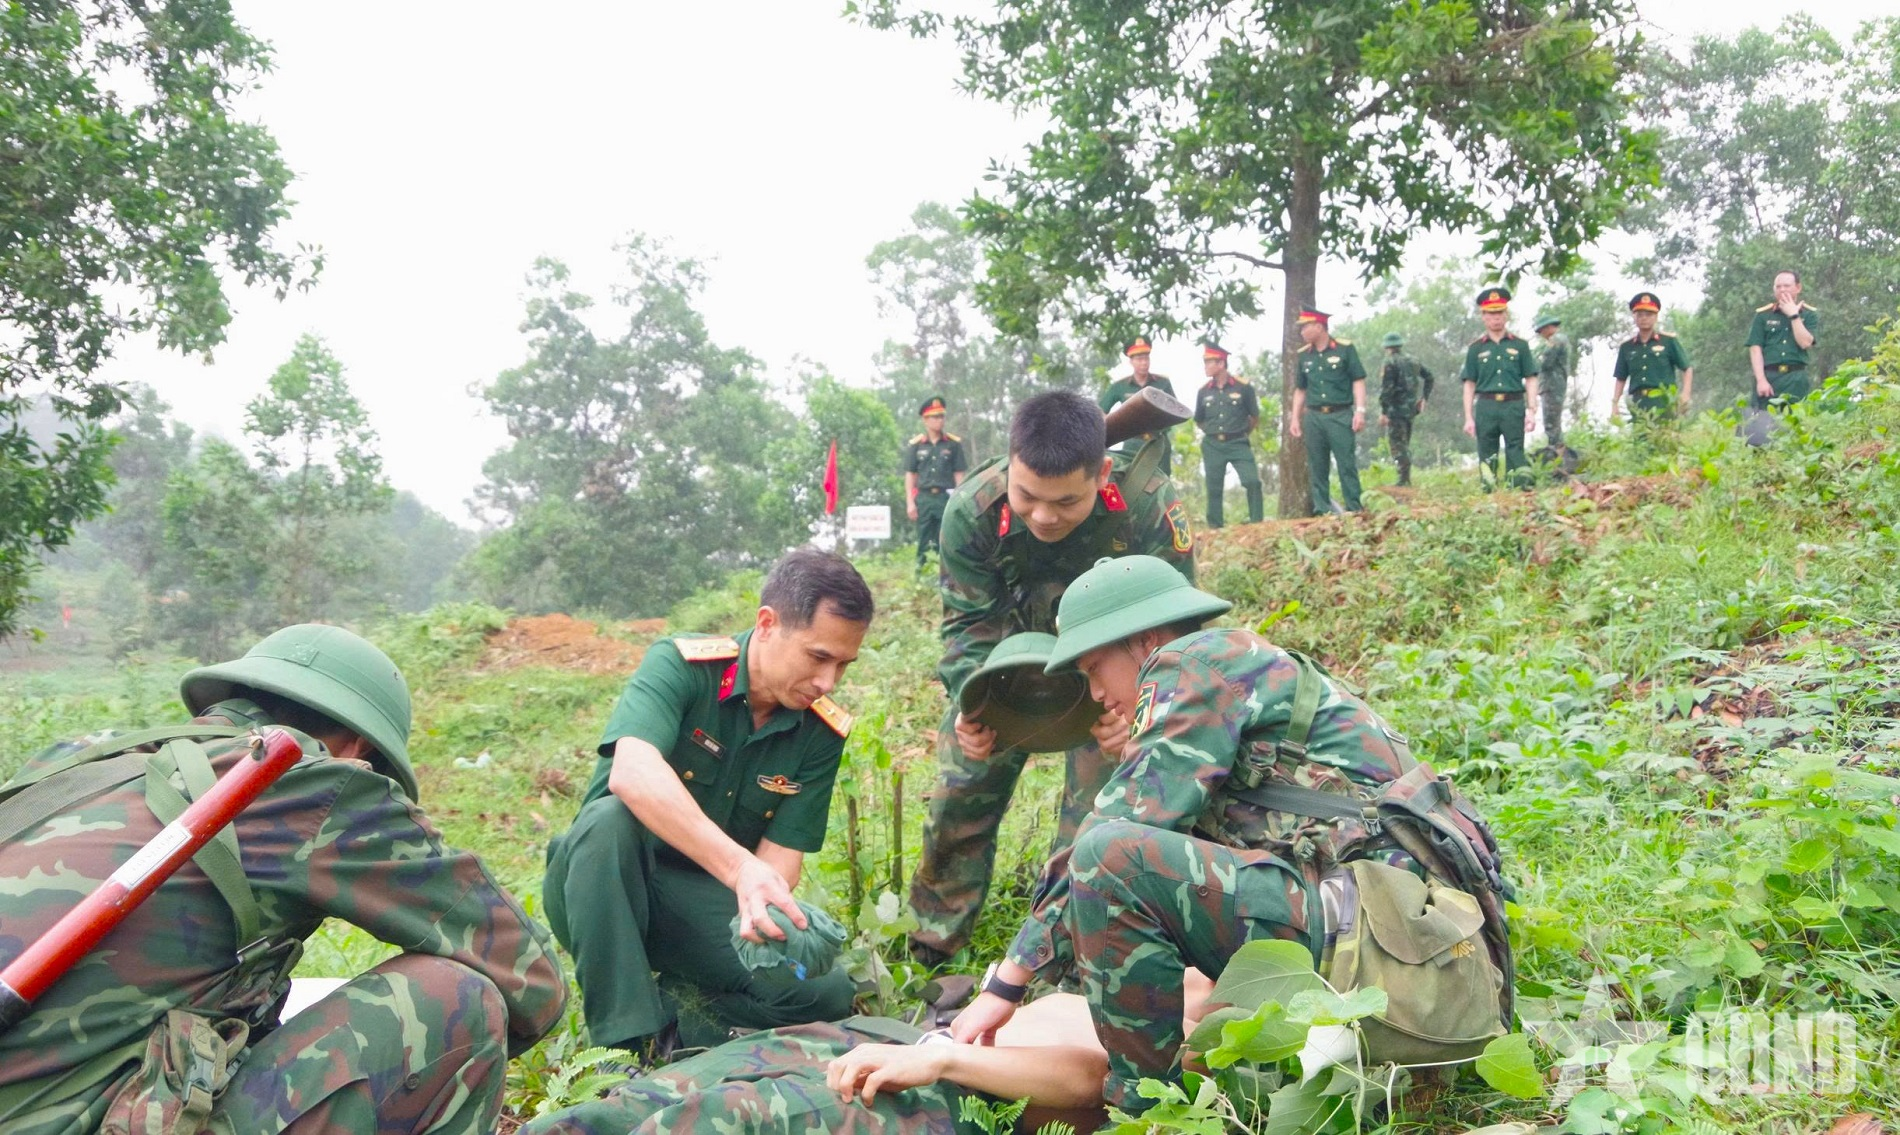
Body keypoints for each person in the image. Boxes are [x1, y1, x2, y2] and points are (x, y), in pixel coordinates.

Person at [951, 556, 1508, 1115]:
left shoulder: (1190, 663)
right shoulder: (1233, 670)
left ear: (1144, 642)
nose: (1095, 693)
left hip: (1389, 948)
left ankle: (1148, 1111)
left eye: (1095, 668)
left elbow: (1112, 843)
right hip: (1418, 951)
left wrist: (1006, 984)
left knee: (1110, 858)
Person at [0, 624, 566, 1135]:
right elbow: (532, 981)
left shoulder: (71, 764)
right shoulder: (312, 786)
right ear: (362, 751)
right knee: (457, 998)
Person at [543, 548, 874, 1057]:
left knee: (824, 993)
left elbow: (780, 863)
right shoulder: (681, 665)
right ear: (767, 624)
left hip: (699, 903)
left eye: (843, 665)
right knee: (609, 819)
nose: (828, 682)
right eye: (818, 657)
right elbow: (631, 772)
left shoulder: (821, 730)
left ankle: (674, 1016)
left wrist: (770, 916)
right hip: (602, 889)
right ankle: (619, 1047)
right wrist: (741, 870)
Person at [908, 390, 1195, 966]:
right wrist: (972, 703)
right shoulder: (972, 511)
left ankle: (1063, 955)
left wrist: (1142, 714)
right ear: (1009, 464)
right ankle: (931, 949)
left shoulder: (1145, 505)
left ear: (1102, 472)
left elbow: (1177, 628)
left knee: (1106, 814)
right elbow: (967, 625)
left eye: (1066, 502)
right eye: (1028, 496)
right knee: (960, 789)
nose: (1044, 516)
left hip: (1110, 672)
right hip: (1006, 671)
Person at [520, 991, 1132, 1135]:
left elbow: (1096, 1080)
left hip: (947, 1098)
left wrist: (944, 1061)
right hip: (889, 1040)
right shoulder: (1178, 934)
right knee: (633, 1105)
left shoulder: (1217, 1028)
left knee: (723, 1119)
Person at [1460, 286, 1540, 490]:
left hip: (1513, 404)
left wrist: (1531, 410)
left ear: (1506, 315)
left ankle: (1520, 489)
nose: (1496, 318)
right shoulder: (1476, 348)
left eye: (1500, 312)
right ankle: (1489, 490)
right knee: (1487, 451)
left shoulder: (1520, 345)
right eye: (1491, 313)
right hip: (1486, 405)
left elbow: (1531, 378)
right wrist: (1468, 417)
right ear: (1483, 317)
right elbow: (1469, 384)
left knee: (1515, 449)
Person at [1289, 307, 1368, 513]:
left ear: (1319, 326)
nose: (1302, 332)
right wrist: (1295, 419)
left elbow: (1358, 380)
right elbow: (1300, 389)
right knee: (1318, 465)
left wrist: (1360, 411)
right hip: (1314, 416)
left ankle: (1354, 507)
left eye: (1306, 326)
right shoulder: (1304, 356)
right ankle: (1322, 508)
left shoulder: (1344, 349)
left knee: (1346, 464)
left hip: (1340, 414)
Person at [1194, 341, 1263, 526]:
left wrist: (1241, 432)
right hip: (1213, 444)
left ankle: (1257, 522)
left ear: (1221, 363)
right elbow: (1199, 419)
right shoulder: (1203, 392)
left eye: (1210, 362)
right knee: (1214, 488)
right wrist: (1213, 432)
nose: (1206, 367)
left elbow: (1254, 416)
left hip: (1238, 442)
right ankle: (1215, 527)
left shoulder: (1243, 387)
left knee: (1252, 481)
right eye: (1205, 362)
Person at [904, 396, 969, 570]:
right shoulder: (916, 445)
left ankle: (946, 575)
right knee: (924, 538)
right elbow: (910, 475)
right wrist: (910, 503)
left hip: (945, 497)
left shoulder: (953, 444)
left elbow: (959, 474)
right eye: (935, 417)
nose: (939, 420)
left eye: (941, 416)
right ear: (925, 420)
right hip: (924, 498)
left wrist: (959, 501)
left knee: (947, 537)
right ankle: (921, 574)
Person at [1611, 292, 1693, 425]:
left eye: (1648, 315)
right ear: (1634, 317)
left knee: (1665, 440)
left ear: (1656, 317)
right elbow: (1621, 377)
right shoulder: (1627, 347)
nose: (1644, 318)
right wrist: (1615, 403)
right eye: (1640, 315)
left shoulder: (1668, 342)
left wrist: (1685, 394)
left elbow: (1687, 368)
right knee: (1640, 440)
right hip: (1638, 402)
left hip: (1664, 401)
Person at [1099, 337, 1178, 474]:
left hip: (1158, 441)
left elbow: (1175, 410)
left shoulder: (1162, 383)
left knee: (1162, 483)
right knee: (1131, 482)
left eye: (1146, 358)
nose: (1144, 363)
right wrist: (1112, 431)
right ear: (1131, 361)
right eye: (1139, 359)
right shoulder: (1120, 386)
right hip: (1132, 443)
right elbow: (1101, 411)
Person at [1746, 270, 1821, 407]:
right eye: (1778, 286)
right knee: (1762, 424)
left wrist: (1794, 315)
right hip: (1769, 377)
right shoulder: (1763, 315)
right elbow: (1755, 349)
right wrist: (1761, 380)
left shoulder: (1809, 314)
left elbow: (1805, 343)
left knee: (1795, 423)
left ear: (1798, 288)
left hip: (1796, 378)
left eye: (1786, 286)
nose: (1782, 290)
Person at [1376, 332, 1432, 488]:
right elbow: (1429, 377)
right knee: (1405, 442)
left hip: (1395, 410)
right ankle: (1405, 478)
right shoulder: (1413, 360)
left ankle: (1403, 479)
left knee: (1397, 444)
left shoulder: (1389, 362)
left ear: (1386, 347)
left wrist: (1384, 411)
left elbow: (1386, 389)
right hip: (1410, 409)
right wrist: (1424, 398)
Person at [1533, 313, 1573, 449]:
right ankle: (1557, 451)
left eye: (1541, 330)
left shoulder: (1555, 340)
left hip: (1552, 386)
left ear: (1548, 327)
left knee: (1551, 422)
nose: (1541, 334)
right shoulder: (1563, 339)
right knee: (1554, 422)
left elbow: (1545, 363)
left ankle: (1557, 453)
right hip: (1555, 385)